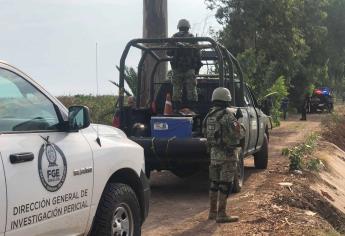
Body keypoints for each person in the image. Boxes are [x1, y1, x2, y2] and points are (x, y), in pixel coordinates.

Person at [202, 87, 245, 223]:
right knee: (225, 185)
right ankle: (222, 214)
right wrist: (239, 121)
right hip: (228, 156)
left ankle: (212, 212)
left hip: (214, 155)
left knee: (214, 184)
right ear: (227, 99)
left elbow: (204, 132)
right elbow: (239, 134)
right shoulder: (228, 116)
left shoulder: (209, 115)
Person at [167, 19, 202, 107]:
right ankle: (192, 108)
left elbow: (168, 52)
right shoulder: (192, 37)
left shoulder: (174, 38)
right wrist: (197, 66)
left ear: (179, 27)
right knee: (191, 89)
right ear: (188, 27)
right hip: (189, 68)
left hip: (177, 68)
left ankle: (176, 109)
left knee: (176, 89)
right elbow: (198, 54)